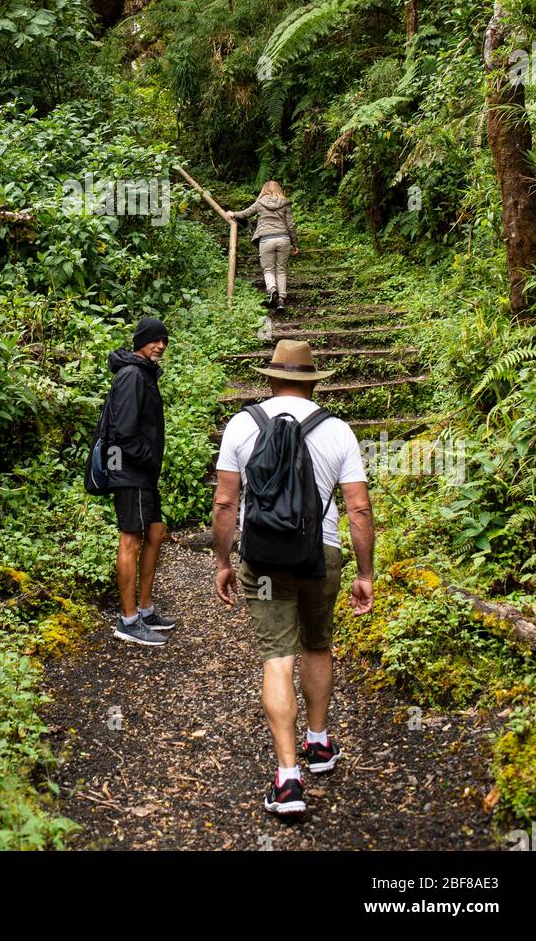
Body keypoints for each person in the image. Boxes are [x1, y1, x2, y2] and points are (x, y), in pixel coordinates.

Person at [211, 338, 374, 816]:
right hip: (321, 554)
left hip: (263, 558)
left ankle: (287, 780)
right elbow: (359, 508)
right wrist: (366, 572)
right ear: (311, 381)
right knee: (317, 646)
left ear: (271, 378)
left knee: (277, 656)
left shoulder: (242, 424)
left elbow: (224, 502)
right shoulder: (338, 430)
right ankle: (319, 745)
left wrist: (223, 561)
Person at [106, 317, 175, 647]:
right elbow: (123, 431)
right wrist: (146, 458)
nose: (160, 345)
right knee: (131, 539)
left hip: (142, 472)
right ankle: (129, 620)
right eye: (154, 340)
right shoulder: (132, 374)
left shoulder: (143, 373)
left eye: (164, 341)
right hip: (130, 471)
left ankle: (145, 609)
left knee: (156, 531)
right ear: (140, 341)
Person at [226, 180, 298, 311]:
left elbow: (245, 214)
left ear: (264, 190)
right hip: (283, 238)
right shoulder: (285, 203)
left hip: (266, 239)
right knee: (281, 270)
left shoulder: (260, 202)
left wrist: (233, 214)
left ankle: (272, 289)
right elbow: (291, 224)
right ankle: (281, 299)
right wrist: (295, 243)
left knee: (269, 269)